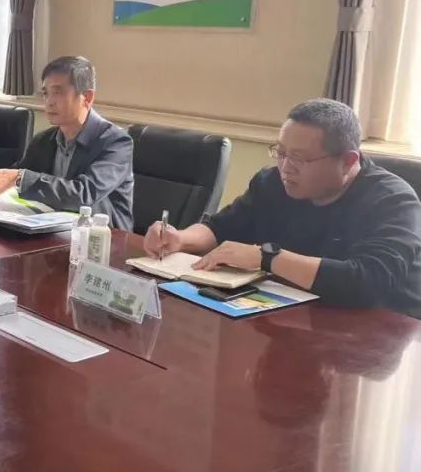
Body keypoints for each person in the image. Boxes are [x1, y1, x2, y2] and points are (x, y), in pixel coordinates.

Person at [143, 98, 421, 319]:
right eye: (281, 153)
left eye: (300, 158)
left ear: (348, 161)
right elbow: (221, 227)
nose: (286, 168)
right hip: (296, 316)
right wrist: (180, 238)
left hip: (379, 335)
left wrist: (267, 258)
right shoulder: (272, 182)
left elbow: (367, 282)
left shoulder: (393, 201)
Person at [0, 56, 134, 229]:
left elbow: (85, 194)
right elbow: (14, 177)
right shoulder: (43, 140)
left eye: (58, 92)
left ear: (87, 97)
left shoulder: (116, 143)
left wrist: (19, 178)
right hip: (53, 230)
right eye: (46, 93)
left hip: (103, 237)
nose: (49, 102)